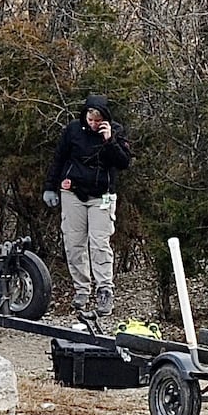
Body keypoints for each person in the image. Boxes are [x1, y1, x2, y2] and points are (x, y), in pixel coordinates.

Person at [43, 94, 132, 315]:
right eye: (90, 119)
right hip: (72, 192)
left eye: (97, 120)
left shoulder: (116, 131)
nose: (93, 124)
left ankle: (104, 291)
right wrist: (50, 187)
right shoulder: (73, 130)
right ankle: (81, 289)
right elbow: (59, 158)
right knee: (74, 244)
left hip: (102, 196)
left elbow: (123, 162)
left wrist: (109, 140)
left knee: (100, 244)